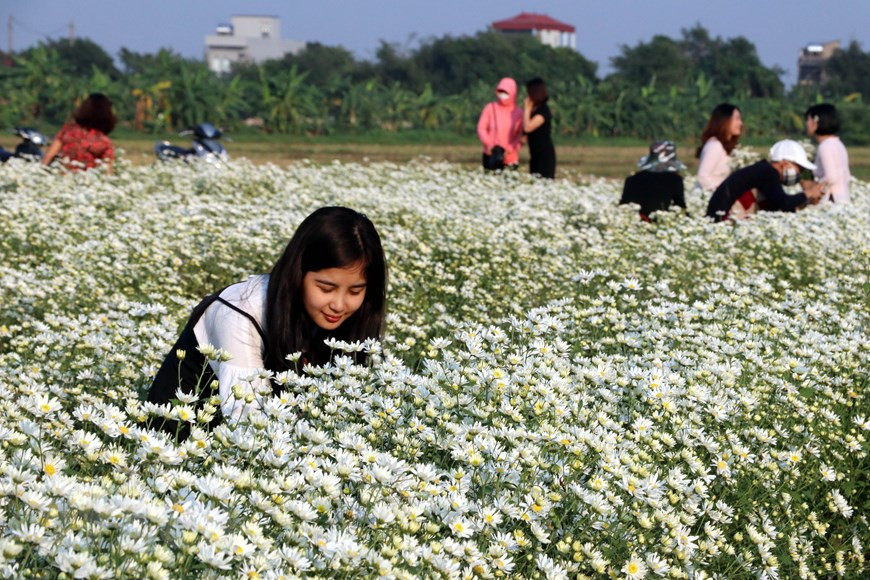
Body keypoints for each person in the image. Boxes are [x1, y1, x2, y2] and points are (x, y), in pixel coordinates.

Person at [147, 206, 388, 438]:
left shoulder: (343, 319)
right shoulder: (239, 312)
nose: (339, 304)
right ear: (297, 272)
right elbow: (247, 424)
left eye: (355, 292)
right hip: (180, 445)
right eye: (326, 288)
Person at [706, 140, 823, 222]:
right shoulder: (768, 173)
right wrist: (809, 193)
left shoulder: (763, 171)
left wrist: (806, 202)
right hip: (723, 221)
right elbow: (783, 204)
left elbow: (776, 208)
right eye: (799, 168)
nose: (799, 173)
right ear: (784, 163)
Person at [42, 93, 116, 172]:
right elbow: (107, 171)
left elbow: (49, 155)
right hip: (87, 181)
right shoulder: (105, 143)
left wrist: (40, 171)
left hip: (62, 176)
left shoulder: (69, 130)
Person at [620, 140, 686, 221]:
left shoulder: (631, 179)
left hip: (632, 220)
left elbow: (623, 206)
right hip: (659, 221)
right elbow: (680, 208)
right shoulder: (675, 180)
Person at [805, 103, 851, 203]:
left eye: (808, 120)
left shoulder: (824, 147)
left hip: (832, 198)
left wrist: (813, 189)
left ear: (815, 123)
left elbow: (831, 177)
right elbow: (847, 175)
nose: (806, 124)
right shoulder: (838, 143)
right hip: (843, 196)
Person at [477, 77, 523, 171]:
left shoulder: (518, 112)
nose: (503, 95)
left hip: (510, 156)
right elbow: (481, 128)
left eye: (506, 92)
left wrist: (510, 149)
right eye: (500, 91)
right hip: (491, 153)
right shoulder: (490, 108)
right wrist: (489, 144)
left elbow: (520, 135)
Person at [696, 103, 743, 192]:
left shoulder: (729, 147)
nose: (740, 123)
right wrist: (721, 193)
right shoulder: (714, 145)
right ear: (725, 121)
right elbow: (702, 176)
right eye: (737, 119)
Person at [523, 77, 556, 179]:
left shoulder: (543, 110)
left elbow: (527, 127)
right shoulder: (534, 110)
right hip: (534, 154)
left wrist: (527, 108)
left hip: (544, 155)